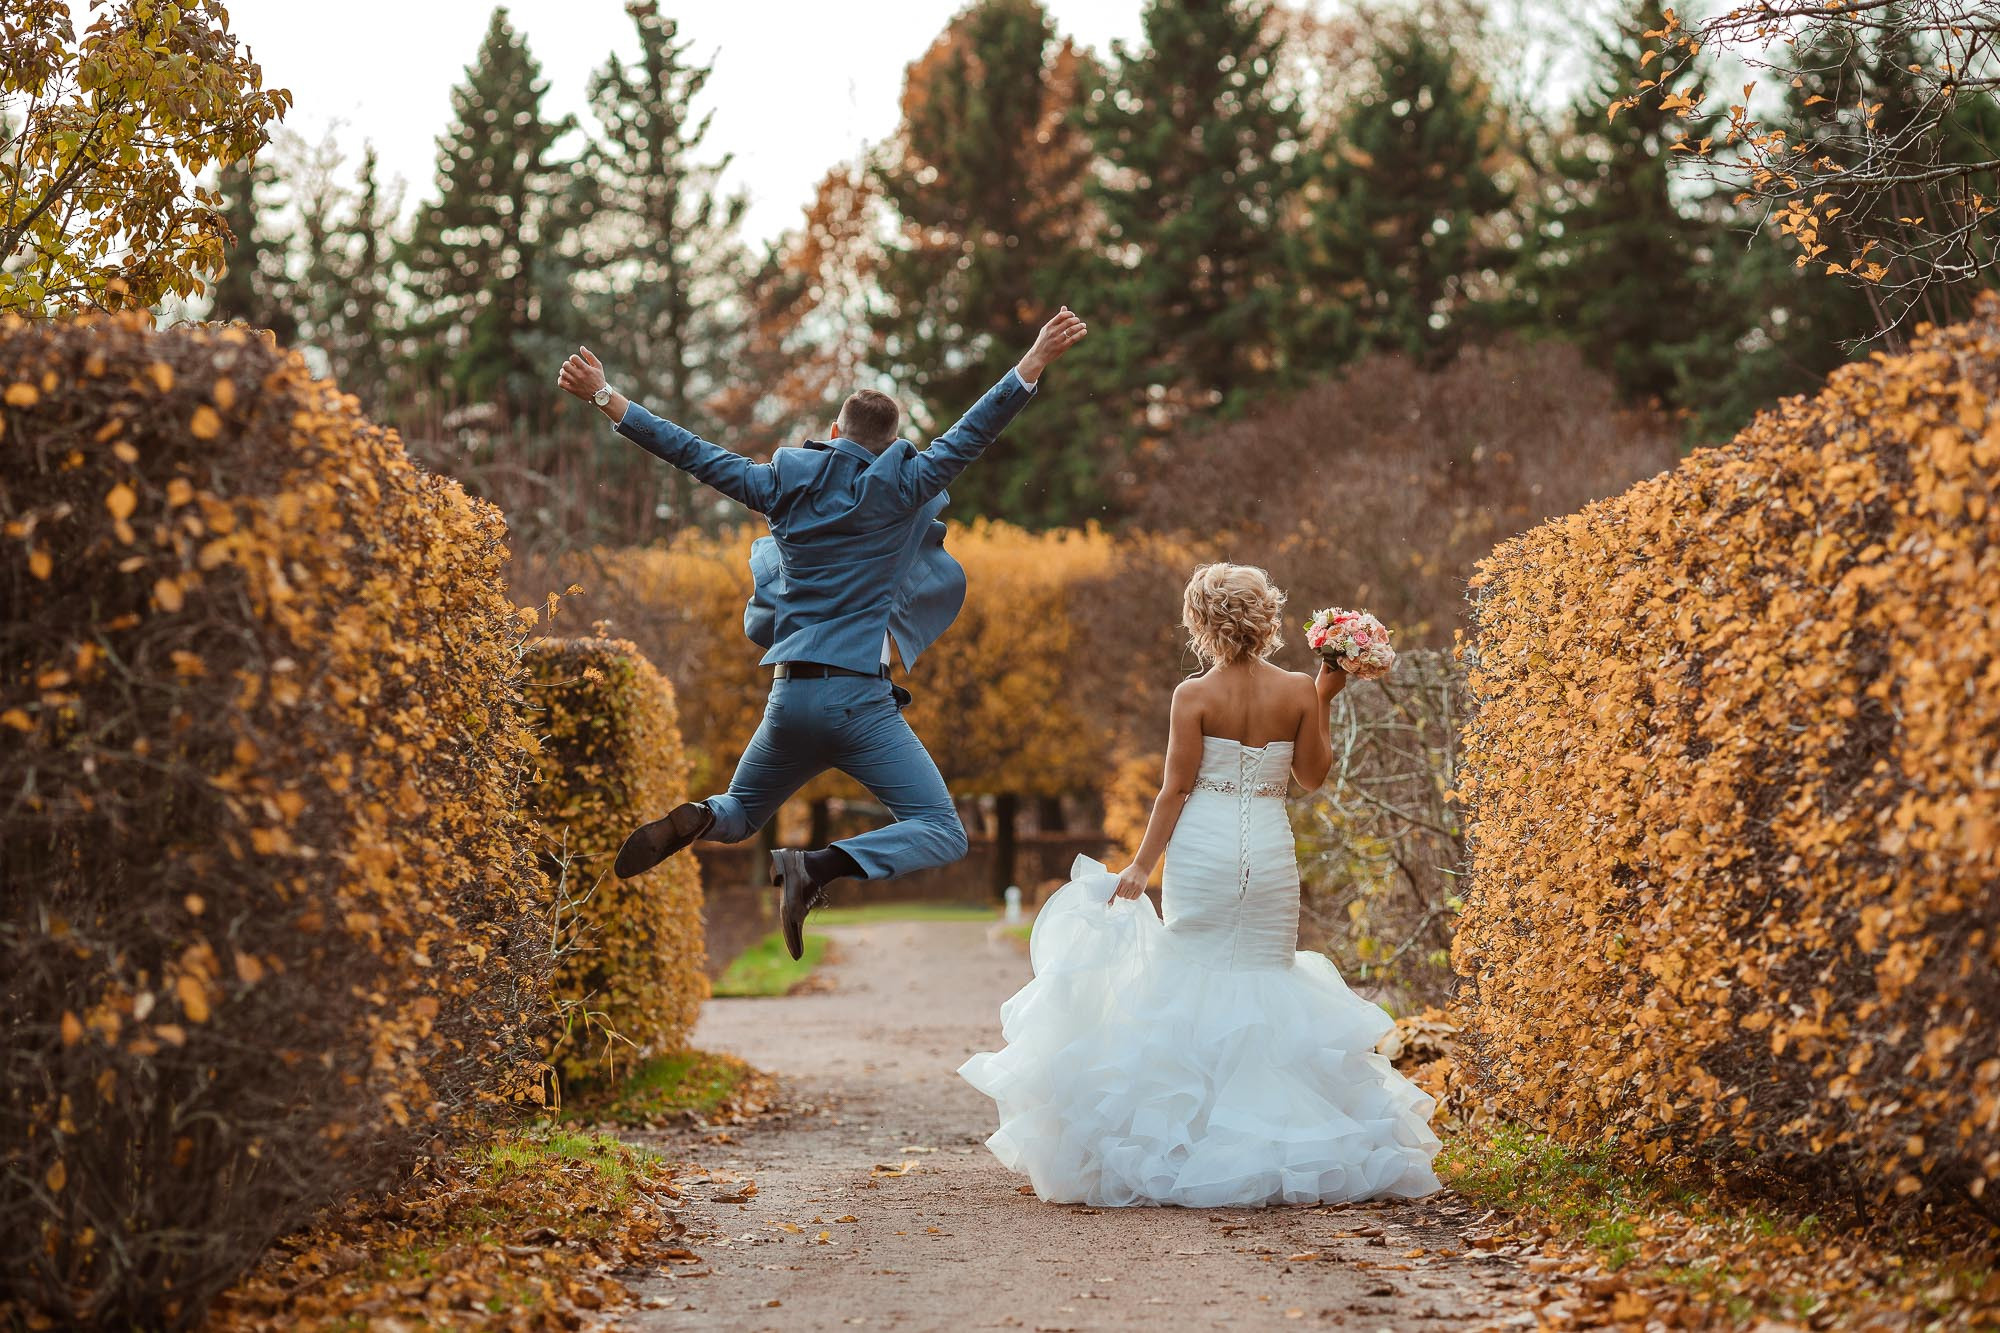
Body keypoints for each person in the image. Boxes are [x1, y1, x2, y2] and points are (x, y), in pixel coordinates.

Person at [554, 309, 1089, 960]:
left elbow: (691, 452)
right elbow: (970, 433)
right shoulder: (905, 483)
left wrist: (606, 397)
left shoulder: (780, 484)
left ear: (833, 432)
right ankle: (819, 867)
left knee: (741, 813)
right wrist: (1032, 361)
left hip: (789, 697)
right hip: (858, 702)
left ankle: (698, 815)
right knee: (942, 830)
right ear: (892, 445)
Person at [959, 563, 1442, 1207]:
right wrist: (1324, 697)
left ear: (1201, 623)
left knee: (1193, 973)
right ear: (1267, 617)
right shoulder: (1300, 689)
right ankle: (1273, 1136)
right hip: (1268, 849)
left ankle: (1193, 1138)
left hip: (1203, 850)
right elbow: (1312, 778)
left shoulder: (1193, 695)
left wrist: (1140, 866)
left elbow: (1175, 790)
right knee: (1266, 975)